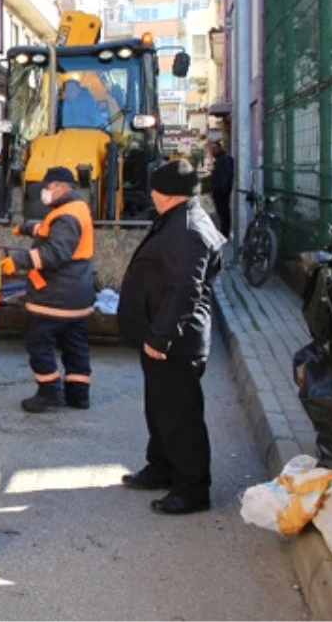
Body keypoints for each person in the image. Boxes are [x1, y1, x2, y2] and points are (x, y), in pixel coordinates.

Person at [119, 160, 225, 515]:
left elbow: (185, 290)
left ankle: (192, 489)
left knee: (180, 415)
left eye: (154, 189)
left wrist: (161, 337)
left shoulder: (188, 229)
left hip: (175, 341)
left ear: (164, 193)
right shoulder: (178, 219)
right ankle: (161, 466)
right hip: (162, 336)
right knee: (161, 408)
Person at [1, 166, 96, 412]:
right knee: (74, 344)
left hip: (55, 298)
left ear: (62, 188)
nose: (43, 192)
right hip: (75, 295)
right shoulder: (73, 209)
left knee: (37, 342)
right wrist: (25, 228)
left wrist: (20, 261)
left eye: (47, 188)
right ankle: (78, 394)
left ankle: (49, 392)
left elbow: (56, 252)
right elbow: (49, 231)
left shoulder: (66, 216)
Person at [209, 141, 235, 237]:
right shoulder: (220, 159)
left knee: (224, 213)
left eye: (214, 148)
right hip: (219, 191)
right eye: (211, 149)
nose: (212, 151)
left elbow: (226, 176)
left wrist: (221, 189)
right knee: (221, 213)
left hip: (222, 192)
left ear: (220, 148)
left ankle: (224, 233)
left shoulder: (225, 159)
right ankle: (223, 232)